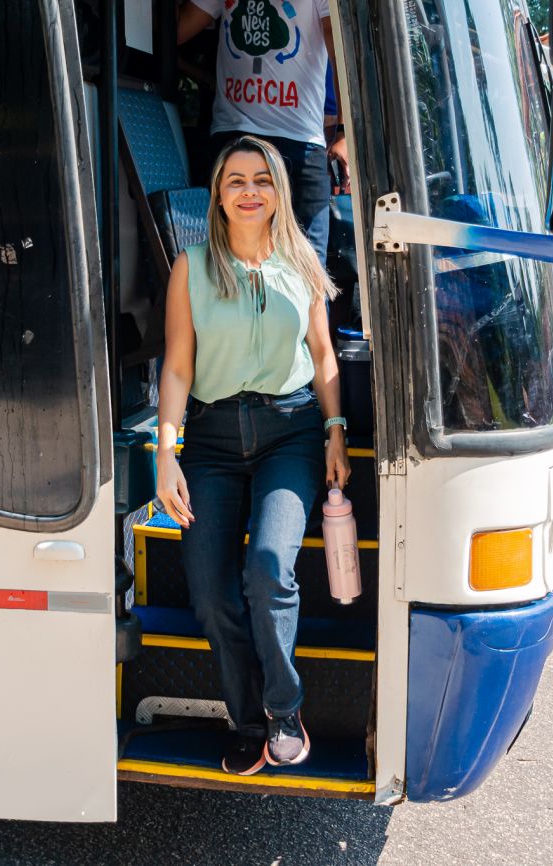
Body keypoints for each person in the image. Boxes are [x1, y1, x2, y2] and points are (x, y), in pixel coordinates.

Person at [155, 136, 351, 775]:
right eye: (235, 180)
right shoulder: (190, 267)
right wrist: (166, 452)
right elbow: (177, 367)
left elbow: (322, 355)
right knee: (210, 595)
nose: (249, 191)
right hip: (210, 441)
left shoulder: (302, 260)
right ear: (217, 194)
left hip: (288, 432)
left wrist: (335, 431)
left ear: (278, 192)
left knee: (268, 569)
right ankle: (245, 721)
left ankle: (283, 711)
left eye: (262, 179)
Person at [177, 0, 349, 264]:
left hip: (298, 141)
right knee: (231, 263)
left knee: (308, 267)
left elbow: (340, 47)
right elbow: (178, 29)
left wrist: (344, 131)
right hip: (235, 137)